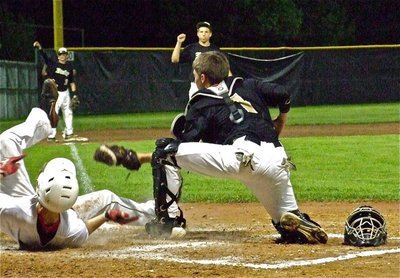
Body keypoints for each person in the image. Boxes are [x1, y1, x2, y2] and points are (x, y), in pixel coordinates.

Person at [94, 51, 328, 244]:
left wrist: (142, 155)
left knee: (165, 152)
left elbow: (185, 145)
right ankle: (298, 224)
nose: (195, 78)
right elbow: (283, 93)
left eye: (195, 75)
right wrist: (280, 122)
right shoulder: (248, 84)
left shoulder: (201, 100)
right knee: (288, 224)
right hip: (278, 160)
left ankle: (169, 222)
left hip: (242, 158)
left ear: (203, 78)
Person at [0, 90, 155, 250]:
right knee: (108, 199)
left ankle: (44, 118)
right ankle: (157, 215)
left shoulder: (13, 210)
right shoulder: (69, 230)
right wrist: (106, 215)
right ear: (69, 207)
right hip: (42, 214)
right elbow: (86, 228)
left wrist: (2, 173)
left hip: (25, 213)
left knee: (6, 141)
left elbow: (84, 229)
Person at [33, 41, 78, 141]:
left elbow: (72, 82)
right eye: (61, 54)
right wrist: (40, 47)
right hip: (56, 92)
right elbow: (44, 56)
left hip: (66, 92)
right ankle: (51, 134)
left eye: (64, 54)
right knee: (54, 113)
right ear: (58, 56)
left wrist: (74, 94)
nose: (62, 56)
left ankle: (69, 132)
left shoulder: (69, 67)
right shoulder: (53, 64)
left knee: (68, 111)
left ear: (67, 56)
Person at [171, 21, 223, 99]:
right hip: (195, 85)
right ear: (197, 34)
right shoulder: (191, 48)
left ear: (210, 34)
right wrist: (179, 43)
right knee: (194, 108)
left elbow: (222, 67)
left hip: (212, 84)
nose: (203, 34)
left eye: (206, 32)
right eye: (201, 32)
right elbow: (174, 60)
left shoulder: (215, 49)